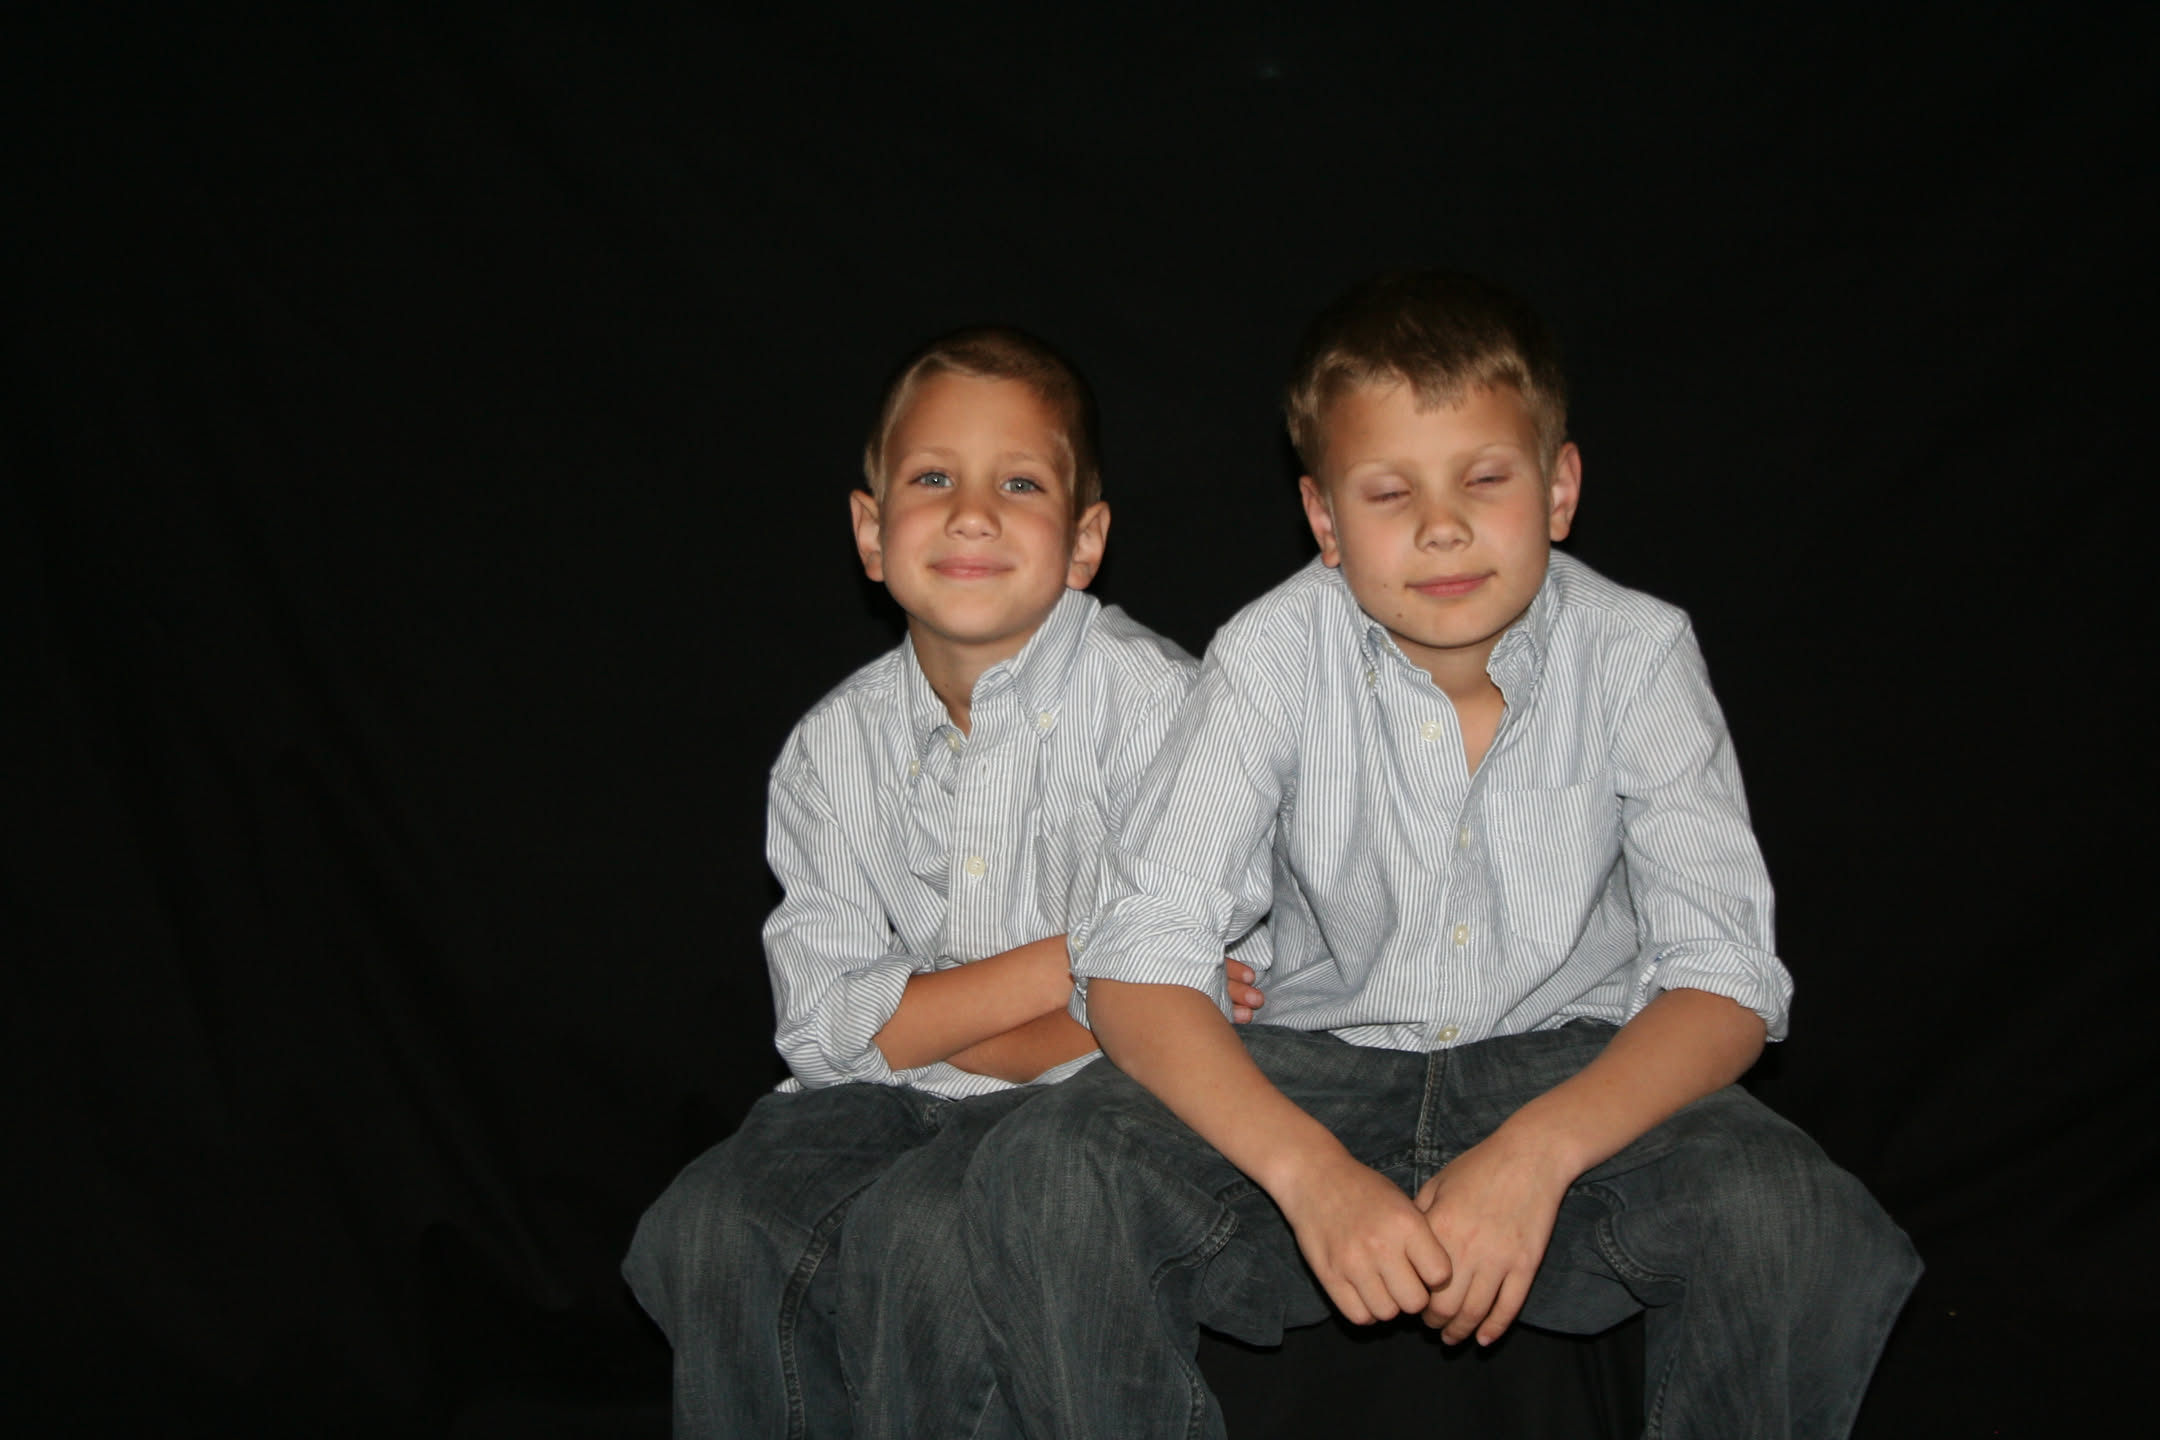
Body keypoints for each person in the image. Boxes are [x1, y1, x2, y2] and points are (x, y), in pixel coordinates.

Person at [963, 271, 1921, 1439]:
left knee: (1791, 1216)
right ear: (1324, 521)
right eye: (1389, 491)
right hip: (1319, 1066)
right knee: (1047, 1172)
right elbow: (1135, 964)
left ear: (1559, 488)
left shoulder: (1638, 652)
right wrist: (1311, 1174)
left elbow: (1724, 980)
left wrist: (1535, 1155)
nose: (1442, 527)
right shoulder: (1270, 654)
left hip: (1571, 1070)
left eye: (1485, 478)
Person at [621, 326, 1264, 1439]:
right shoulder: (831, 751)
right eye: (931, 479)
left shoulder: (1164, 710)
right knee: (702, 1226)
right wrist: (1077, 958)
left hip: (1112, 1110)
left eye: (1019, 483)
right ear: (871, 532)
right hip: (895, 1102)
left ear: (1085, 541)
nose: (972, 514)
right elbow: (823, 1027)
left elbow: (1202, 994)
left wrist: (933, 1026)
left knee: (921, 1241)